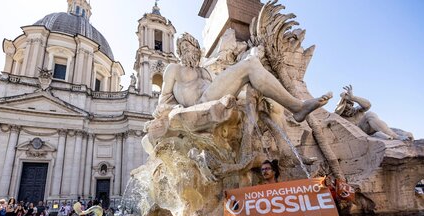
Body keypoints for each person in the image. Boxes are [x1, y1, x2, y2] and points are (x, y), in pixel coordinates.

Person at [154, 32, 332, 123]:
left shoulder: (205, 71)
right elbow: (163, 101)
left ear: (196, 48)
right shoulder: (173, 68)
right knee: (250, 63)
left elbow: (225, 86)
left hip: (212, 97)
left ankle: (290, 107)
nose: (186, 49)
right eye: (182, 47)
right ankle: (297, 107)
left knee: (254, 74)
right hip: (199, 103)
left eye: (189, 45)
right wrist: (175, 108)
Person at [335, 85, 412, 141]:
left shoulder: (357, 110)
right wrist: (342, 101)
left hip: (374, 130)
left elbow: (368, 105)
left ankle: (398, 135)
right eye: (347, 104)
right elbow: (337, 112)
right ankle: (396, 137)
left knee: (405, 133)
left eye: (351, 104)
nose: (349, 106)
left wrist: (353, 98)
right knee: (370, 114)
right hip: (359, 134)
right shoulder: (340, 117)